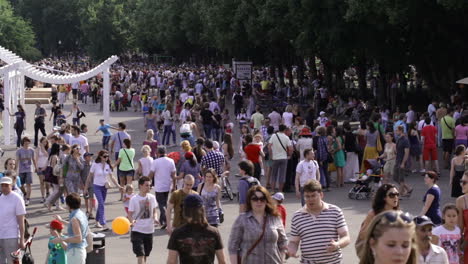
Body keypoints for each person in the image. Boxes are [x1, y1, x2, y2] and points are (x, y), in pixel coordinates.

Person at [288, 180, 351, 264]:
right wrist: (291, 250)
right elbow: (294, 242)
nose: (310, 199)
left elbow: (346, 237)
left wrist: (337, 244)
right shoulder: (297, 216)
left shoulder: (335, 211)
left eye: (313, 196)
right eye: (307, 196)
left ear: (321, 195)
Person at [228, 185, 288, 264]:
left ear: (266, 201)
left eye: (262, 199)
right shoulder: (242, 219)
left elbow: (283, 241)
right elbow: (233, 246)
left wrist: (281, 259)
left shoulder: (275, 218)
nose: (258, 201)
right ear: (250, 201)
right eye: (255, 199)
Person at [167, 194, 226, 264]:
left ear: (184, 210)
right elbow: (222, 261)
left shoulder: (177, 233)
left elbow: (171, 261)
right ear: (202, 210)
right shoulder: (213, 232)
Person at [355, 184, 401, 257]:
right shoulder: (374, 214)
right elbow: (363, 235)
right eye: (392, 195)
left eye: (397, 194)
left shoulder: (398, 213)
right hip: (374, 252)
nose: (396, 197)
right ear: (384, 197)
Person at [84, 150, 123, 230]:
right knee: (101, 203)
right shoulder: (95, 164)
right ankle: (103, 223)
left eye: (107, 156)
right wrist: (86, 188)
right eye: (105, 156)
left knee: (101, 205)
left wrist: (119, 186)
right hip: (96, 186)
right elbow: (89, 177)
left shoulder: (107, 165)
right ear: (100, 156)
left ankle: (97, 221)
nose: (106, 158)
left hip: (104, 187)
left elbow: (112, 177)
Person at [128, 176, 159, 264]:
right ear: (140, 186)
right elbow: (129, 214)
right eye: (147, 185)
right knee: (140, 254)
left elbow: (154, 211)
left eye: (150, 185)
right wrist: (132, 221)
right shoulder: (134, 199)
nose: (149, 187)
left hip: (149, 231)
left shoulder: (152, 198)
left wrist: (156, 218)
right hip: (137, 231)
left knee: (145, 254)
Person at [52, 193, 89, 264]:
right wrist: (61, 221)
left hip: (75, 252)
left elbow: (78, 238)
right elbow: (75, 227)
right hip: (79, 250)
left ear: (68, 205)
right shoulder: (81, 213)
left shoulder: (74, 218)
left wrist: (61, 239)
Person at [148, 146, 176, 229]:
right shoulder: (171, 161)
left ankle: (166, 221)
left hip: (159, 186)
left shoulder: (155, 162)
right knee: (165, 203)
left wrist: (146, 182)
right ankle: (162, 221)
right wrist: (174, 185)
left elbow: (151, 174)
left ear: (158, 153)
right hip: (167, 185)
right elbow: (173, 175)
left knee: (161, 204)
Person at [0, 177, 26, 263]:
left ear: (11, 186)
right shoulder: (0, 198)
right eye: (2, 185)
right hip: (1, 236)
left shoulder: (17, 199)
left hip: (12, 237)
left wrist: (22, 239)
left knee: (13, 262)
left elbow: (21, 221)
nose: (4, 187)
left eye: (6, 185)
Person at [268, 124, 293, 192]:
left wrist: (271, 155)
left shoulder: (273, 136)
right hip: (283, 158)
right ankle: (280, 190)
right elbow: (290, 148)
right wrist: (289, 155)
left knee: (274, 175)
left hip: (275, 157)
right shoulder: (286, 137)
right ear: (285, 130)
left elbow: (269, 146)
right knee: (282, 175)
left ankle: (272, 190)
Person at [16, 136, 37, 206]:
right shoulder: (19, 151)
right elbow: (17, 160)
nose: (27, 142)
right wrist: (15, 169)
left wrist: (36, 167)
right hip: (21, 170)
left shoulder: (32, 150)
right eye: (25, 141)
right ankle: (24, 193)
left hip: (29, 169)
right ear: (23, 142)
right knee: (21, 185)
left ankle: (27, 199)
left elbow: (34, 159)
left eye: (28, 141)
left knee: (29, 184)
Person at [394, 125, 413, 197]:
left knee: (401, 178)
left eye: (397, 130)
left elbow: (407, 153)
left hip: (402, 161)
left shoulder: (405, 140)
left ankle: (399, 194)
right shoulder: (399, 139)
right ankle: (408, 188)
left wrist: (403, 163)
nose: (396, 131)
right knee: (395, 177)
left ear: (400, 131)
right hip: (397, 160)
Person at [35, 136, 50, 203]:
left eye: (45, 142)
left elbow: (47, 155)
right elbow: (37, 157)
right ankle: (42, 196)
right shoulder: (38, 149)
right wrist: (36, 167)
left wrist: (43, 148)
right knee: (42, 182)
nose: (44, 143)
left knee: (47, 182)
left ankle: (47, 192)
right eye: (43, 142)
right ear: (40, 142)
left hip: (47, 167)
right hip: (40, 167)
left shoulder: (48, 149)